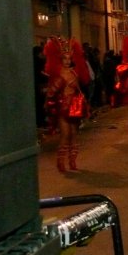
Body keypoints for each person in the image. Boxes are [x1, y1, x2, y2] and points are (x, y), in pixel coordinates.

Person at [43, 37, 91, 172]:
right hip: (63, 106)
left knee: (74, 134)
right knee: (65, 134)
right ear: (60, 59)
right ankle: (61, 161)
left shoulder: (74, 72)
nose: (67, 61)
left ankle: (73, 161)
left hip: (75, 106)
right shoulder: (59, 74)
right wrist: (50, 99)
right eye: (65, 58)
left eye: (69, 59)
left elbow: (79, 88)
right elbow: (52, 92)